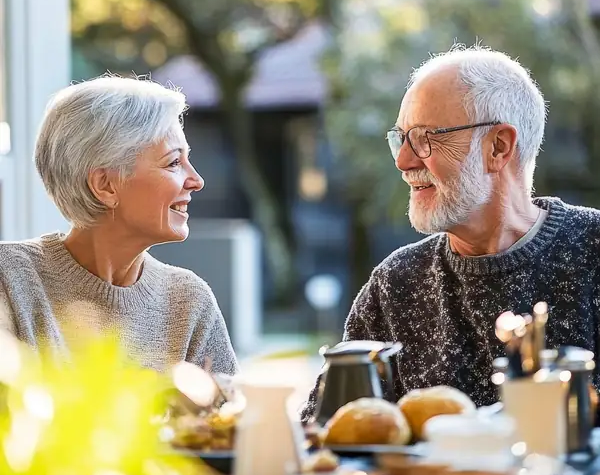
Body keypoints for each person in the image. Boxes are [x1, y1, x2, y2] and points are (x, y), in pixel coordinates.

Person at [304, 45, 600, 419]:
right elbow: (326, 436)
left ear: (498, 147)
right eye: (401, 138)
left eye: (425, 137)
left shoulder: (594, 249)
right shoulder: (396, 284)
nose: (403, 161)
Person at [0, 75, 237, 374]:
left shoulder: (189, 300)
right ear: (106, 185)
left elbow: (232, 417)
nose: (196, 181)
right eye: (173, 163)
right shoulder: (8, 277)